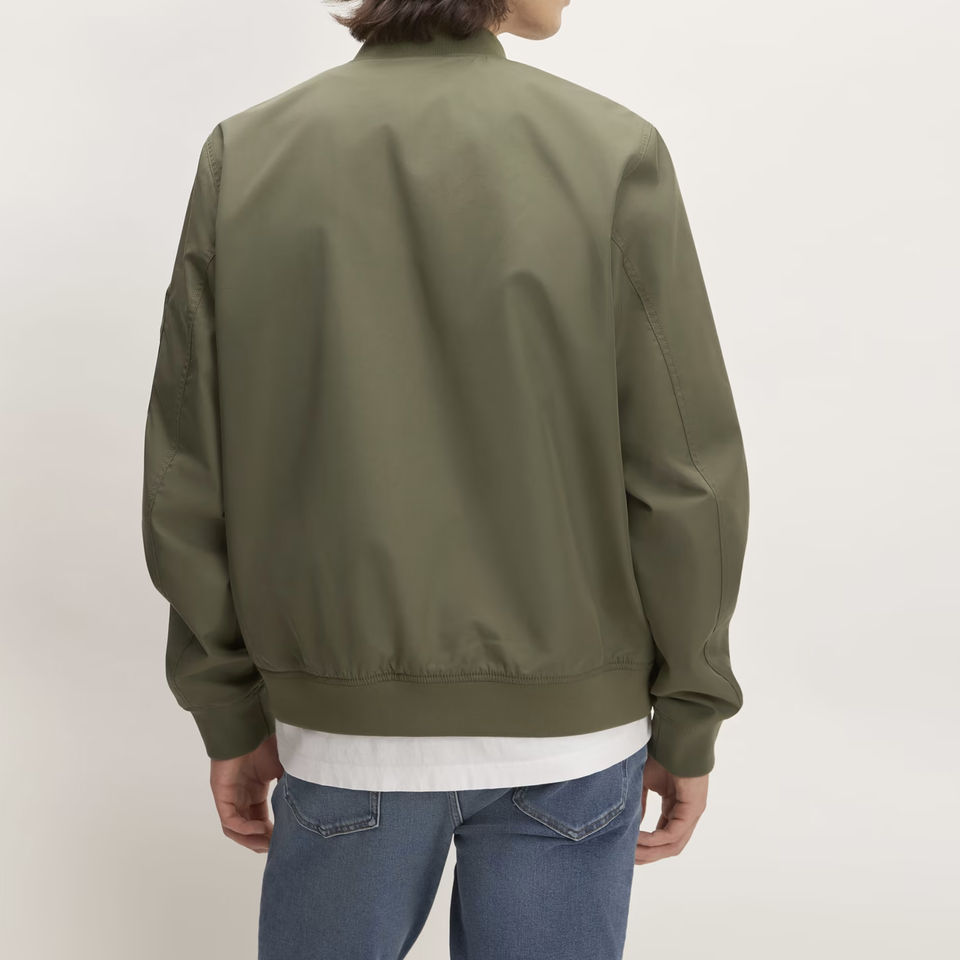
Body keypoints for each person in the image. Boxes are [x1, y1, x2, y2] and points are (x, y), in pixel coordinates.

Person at [140, 0, 750, 957]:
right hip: (572, 739)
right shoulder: (611, 151)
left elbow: (188, 469)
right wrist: (690, 711)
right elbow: (686, 474)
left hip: (342, 731)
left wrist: (228, 707)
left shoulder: (248, 155)